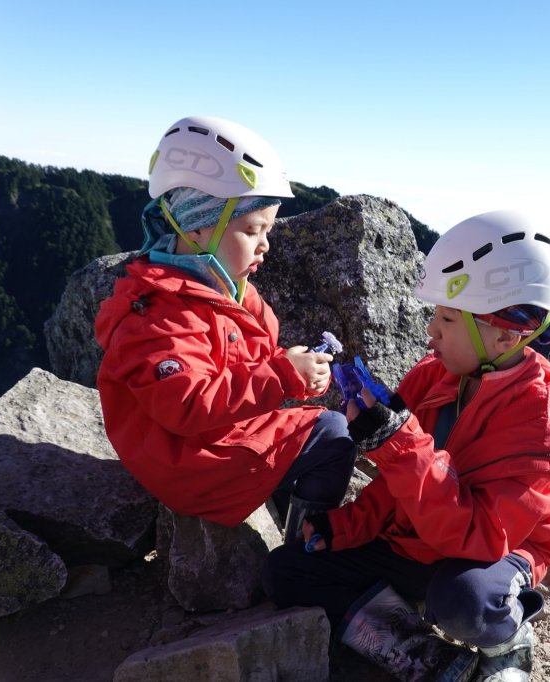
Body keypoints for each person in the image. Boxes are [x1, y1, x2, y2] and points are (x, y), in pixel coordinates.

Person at [263, 211, 550, 681]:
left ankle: (508, 641)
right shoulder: (432, 375)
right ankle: (429, 656)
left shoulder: (547, 424)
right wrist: (344, 527)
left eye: (446, 318)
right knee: (288, 571)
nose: (431, 332)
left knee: (465, 600)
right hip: (421, 536)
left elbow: (479, 537)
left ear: (504, 332)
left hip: (493, 549)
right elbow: (398, 488)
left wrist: (395, 442)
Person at [95, 115, 356, 538]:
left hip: (209, 442)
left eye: (268, 229)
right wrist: (283, 373)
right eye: (253, 229)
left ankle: (285, 507)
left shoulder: (228, 289)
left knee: (318, 427)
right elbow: (186, 406)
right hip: (189, 464)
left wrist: (297, 370)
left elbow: (251, 361)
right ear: (198, 225)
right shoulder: (161, 315)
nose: (265, 244)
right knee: (330, 435)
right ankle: (305, 553)